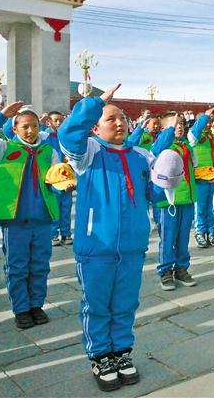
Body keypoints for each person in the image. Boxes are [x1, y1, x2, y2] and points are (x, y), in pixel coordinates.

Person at [59, 84, 155, 392]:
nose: (119, 123)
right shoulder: (88, 153)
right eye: (110, 118)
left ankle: (121, 352)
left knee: (126, 302)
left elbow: (154, 193)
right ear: (95, 127)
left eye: (122, 118)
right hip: (96, 247)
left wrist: (170, 178)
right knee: (97, 304)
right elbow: (68, 134)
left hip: (132, 246)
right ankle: (100, 356)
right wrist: (95, 103)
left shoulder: (142, 155)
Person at [0, 103, 60, 330]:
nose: (30, 131)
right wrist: (1, 115)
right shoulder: (3, 149)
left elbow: (58, 177)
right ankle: (21, 309)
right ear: (14, 129)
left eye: (34, 126)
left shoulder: (49, 151)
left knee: (40, 265)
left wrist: (64, 182)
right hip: (15, 221)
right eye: (25, 126)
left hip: (42, 219)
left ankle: (36, 305)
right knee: (17, 266)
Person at [150, 114, 198, 289]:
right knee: (168, 237)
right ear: (165, 129)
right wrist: (170, 129)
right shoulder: (161, 145)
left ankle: (181, 269)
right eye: (175, 124)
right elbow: (157, 148)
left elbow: (194, 165)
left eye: (181, 124)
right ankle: (165, 272)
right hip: (168, 201)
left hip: (187, 198)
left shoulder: (186, 146)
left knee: (183, 237)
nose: (180, 127)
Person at [188, 108, 214, 248]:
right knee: (200, 208)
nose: (208, 124)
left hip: (213, 178)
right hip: (200, 178)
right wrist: (204, 117)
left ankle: (211, 233)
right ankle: (200, 233)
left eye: (209, 121)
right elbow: (195, 131)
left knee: (213, 207)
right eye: (206, 122)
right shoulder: (193, 136)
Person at [43, 111, 74, 246]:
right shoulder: (45, 136)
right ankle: (53, 234)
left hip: (67, 177)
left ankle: (66, 233)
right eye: (55, 120)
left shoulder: (67, 137)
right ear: (48, 122)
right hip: (52, 178)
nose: (59, 123)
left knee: (66, 207)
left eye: (61, 120)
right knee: (54, 206)